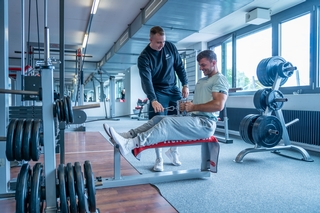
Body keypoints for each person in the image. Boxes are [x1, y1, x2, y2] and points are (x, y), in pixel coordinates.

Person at [104, 50, 229, 170]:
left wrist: (193, 107)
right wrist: (189, 105)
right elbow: (201, 103)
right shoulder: (202, 80)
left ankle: (131, 144)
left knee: (167, 123)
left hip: (205, 124)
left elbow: (218, 105)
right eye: (200, 65)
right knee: (158, 118)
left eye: (203, 65)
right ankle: (127, 136)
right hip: (194, 118)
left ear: (214, 62)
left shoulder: (220, 79)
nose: (201, 68)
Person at [136, 26, 189, 172]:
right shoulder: (144, 57)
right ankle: (159, 158)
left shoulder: (170, 47)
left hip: (173, 89)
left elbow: (179, 67)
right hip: (157, 91)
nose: (162, 45)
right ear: (150, 40)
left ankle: (173, 151)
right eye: (158, 42)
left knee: (179, 121)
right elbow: (146, 81)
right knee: (158, 123)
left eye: (163, 41)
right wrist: (153, 99)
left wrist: (185, 84)